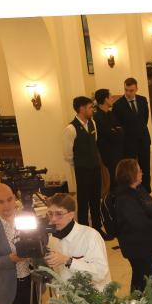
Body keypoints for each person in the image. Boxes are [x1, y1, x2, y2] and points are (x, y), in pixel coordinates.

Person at [112, 158, 152, 292]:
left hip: (147, 243)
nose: (142, 172)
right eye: (139, 171)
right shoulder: (124, 199)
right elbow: (140, 223)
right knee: (144, 276)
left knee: (146, 276)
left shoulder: (138, 189)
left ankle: (148, 301)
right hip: (137, 246)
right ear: (131, 175)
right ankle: (143, 302)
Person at [43, 193, 111, 290]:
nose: (53, 219)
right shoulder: (51, 239)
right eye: (50, 213)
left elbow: (100, 273)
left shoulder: (90, 236)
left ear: (71, 215)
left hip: (93, 295)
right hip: (67, 295)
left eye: (59, 214)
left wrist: (68, 261)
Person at [62, 96, 103, 232]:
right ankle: (84, 230)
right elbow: (68, 154)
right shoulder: (71, 128)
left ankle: (97, 228)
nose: (92, 110)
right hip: (82, 170)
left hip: (95, 167)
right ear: (81, 109)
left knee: (96, 199)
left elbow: (94, 142)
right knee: (83, 200)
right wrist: (79, 164)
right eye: (90, 107)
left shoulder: (93, 123)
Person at [113, 77, 152, 190]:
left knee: (145, 167)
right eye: (126, 90)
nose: (128, 93)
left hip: (143, 140)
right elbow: (118, 124)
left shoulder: (142, 100)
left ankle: (146, 191)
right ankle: (133, 192)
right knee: (130, 171)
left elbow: (145, 119)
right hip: (129, 143)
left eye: (131, 90)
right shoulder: (118, 105)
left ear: (136, 89)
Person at [93, 88, 124, 191]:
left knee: (119, 178)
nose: (112, 99)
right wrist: (116, 131)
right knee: (113, 180)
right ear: (106, 99)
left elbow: (121, 130)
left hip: (117, 150)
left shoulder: (110, 113)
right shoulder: (97, 117)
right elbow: (109, 134)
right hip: (108, 153)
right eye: (110, 97)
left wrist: (116, 131)